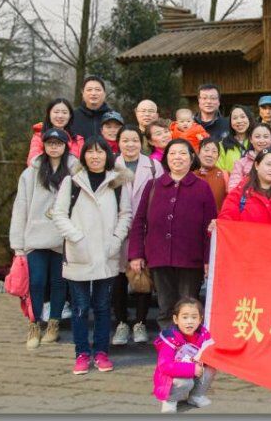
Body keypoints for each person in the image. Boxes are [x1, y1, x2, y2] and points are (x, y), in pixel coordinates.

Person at [50, 136, 133, 375]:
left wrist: (116, 240)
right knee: (79, 307)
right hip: (79, 254)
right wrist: (76, 237)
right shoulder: (72, 182)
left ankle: (101, 352)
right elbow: (59, 214)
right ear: (83, 156)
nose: (95, 156)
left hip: (107, 254)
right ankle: (82, 353)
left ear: (108, 155)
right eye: (90, 152)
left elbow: (125, 215)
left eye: (100, 152)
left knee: (103, 306)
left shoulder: (117, 183)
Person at [128, 139, 217, 332]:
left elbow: (210, 228)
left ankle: (188, 344)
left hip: (191, 259)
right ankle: (168, 343)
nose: (178, 157)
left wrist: (208, 259)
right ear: (166, 158)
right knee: (166, 307)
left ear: (191, 158)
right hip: (159, 257)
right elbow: (140, 221)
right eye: (173, 153)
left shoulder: (202, 187)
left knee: (189, 307)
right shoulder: (153, 185)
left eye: (183, 153)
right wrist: (136, 254)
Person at [10, 127, 73, 349]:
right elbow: (21, 208)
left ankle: (54, 324)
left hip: (63, 237)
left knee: (59, 282)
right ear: (44, 145)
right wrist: (17, 244)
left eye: (58, 143)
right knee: (36, 282)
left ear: (66, 146)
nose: (54, 147)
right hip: (35, 236)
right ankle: (34, 324)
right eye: (50, 143)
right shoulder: (30, 173)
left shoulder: (74, 171)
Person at [112, 125, 163, 347]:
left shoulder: (153, 165)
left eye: (134, 140)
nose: (130, 144)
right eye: (125, 140)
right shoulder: (111, 165)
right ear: (118, 142)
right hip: (116, 229)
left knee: (142, 276)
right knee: (118, 278)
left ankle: (140, 322)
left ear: (141, 142)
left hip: (145, 228)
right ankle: (121, 322)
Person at [153, 297, 215, 412]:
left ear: (200, 319)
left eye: (194, 317)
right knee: (185, 382)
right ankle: (170, 400)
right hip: (170, 377)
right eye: (185, 317)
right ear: (176, 319)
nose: (189, 321)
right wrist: (192, 369)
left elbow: (210, 353)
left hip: (194, 368)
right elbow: (165, 366)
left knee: (210, 369)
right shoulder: (170, 339)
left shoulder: (204, 335)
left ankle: (196, 396)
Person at [215, 150, 271, 225]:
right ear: (257, 165)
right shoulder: (240, 193)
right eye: (268, 164)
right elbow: (226, 219)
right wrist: (218, 225)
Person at [27, 98, 84, 165]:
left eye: (64, 112)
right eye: (56, 112)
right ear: (49, 114)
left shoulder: (78, 140)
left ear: (70, 116)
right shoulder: (39, 137)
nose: (60, 116)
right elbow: (32, 161)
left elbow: (81, 165)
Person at [227, 123, 271, 192]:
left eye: (266, 137)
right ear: (251, 139)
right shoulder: (240, 163)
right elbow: (232, 188)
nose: (262, 140)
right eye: (257, 137)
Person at [70, 75, 114, 141]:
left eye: (98, 90)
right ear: (83, 93)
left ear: (104, 93)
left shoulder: (113, 117)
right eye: (89, 90)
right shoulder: (72, 117)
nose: (93, 93)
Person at [215, 105, 254, 174]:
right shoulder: (223, 144)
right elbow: (219, 170)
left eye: (242, 117)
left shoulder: (257, 142)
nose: (239, 121)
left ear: (249, 119)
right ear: (230, 122)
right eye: (235, 118)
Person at [194, 138, 228, 211]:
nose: (210, 155)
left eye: (214, 151)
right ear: (198, 152)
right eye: (206, 150)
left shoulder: (225, 175)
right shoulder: (189, 174)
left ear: (218, 156)